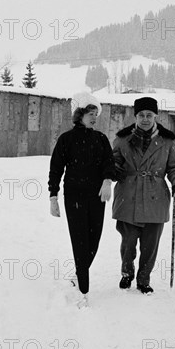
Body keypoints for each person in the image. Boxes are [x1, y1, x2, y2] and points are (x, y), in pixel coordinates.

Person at [112, 96, 175, 294]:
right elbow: (113, 162)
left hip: (155, 197)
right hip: (128, 196)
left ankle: (143, 279)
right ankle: (127, 273)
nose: (145, 119)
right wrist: (114, 170)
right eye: (141, 115)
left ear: (155, 116)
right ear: (135, 116)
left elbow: (174, 167)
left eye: (149, 115)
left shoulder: (167, 140)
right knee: (128, 243)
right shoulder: (122, 139)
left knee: (150, 244)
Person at [48, 92, 115, 308]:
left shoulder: (101, 139)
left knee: (93, 242)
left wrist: (107, 181)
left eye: (96, 113)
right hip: (74, 197)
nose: (94, 117)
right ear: (79, 114)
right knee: (80, 242)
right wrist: (53, 197)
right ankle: (83, 291)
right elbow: (56, 169)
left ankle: (79, 274)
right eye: (90, 113)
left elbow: (109, 163)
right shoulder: (66, 140)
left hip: (97, 198)